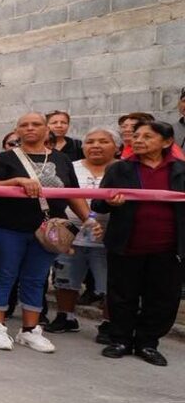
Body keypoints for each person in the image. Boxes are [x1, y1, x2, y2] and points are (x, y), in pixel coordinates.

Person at [0, 112, 93, 353]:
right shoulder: (5, 159)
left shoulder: (62, 160)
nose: (30, 128)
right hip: (6, 228)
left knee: (36, 278)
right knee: (4, 275)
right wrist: (16, 181)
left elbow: (73, 194)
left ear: (46, 130)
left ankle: (30, 330)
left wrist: (90, 219)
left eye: (36, 124)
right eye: (24, 125)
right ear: (17, 130)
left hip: (47, 231)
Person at [94, 121, 184, 366]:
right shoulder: (119, 169)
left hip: (168, 248)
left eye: (147, 136)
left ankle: (147, 343)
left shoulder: (180, 170)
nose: (139, 140)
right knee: (122, 296)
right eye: (136, 135)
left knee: (162, 299)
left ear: (166, 142)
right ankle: (120, 340)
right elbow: (98, 204)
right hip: (127, 244)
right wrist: (111, 202)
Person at [45, 128, 117, 336]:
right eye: (90, 141)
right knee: (65, 278)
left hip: (109, 237)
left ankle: (109, 323)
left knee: (111, 284)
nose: (95, 145)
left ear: (116, 147)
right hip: (71, 234)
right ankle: (65, 316)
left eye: (103, 141)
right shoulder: (70, 167)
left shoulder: (124, 170)